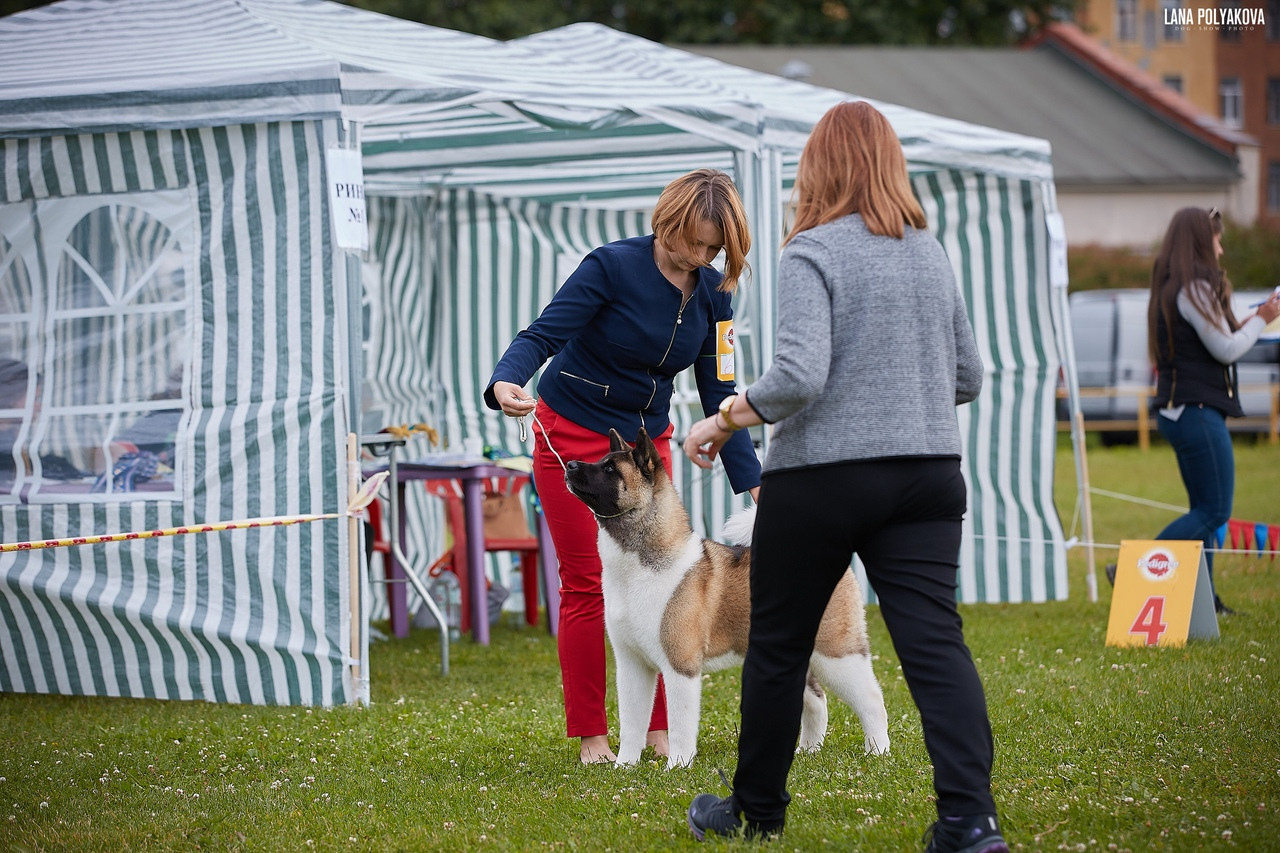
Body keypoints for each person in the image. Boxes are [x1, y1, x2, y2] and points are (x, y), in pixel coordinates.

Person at [681, 102, 1006, 853]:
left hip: (822, 480)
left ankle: (756, 811)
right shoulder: (930, 251)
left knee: (778, 644)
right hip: (928, 476)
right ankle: (971, 821)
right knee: (936, 646)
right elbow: (968, 376)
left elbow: (798, 376)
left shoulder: (811, 250)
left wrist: (723, 418)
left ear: (816, 167)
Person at [484, 168, 762, 765]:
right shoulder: (610, 266)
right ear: (668, 220)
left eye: (714, 249)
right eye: (694, 243)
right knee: (587, 583)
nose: (701, 258)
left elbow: (720, 391)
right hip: (573, 437)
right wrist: (506, 379)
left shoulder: (714, 293)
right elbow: (541, 335)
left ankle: (657, 731)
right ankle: (593, 735)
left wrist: (753, 480)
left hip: (645, 453)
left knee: (661, 581)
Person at [1146, 207, 1280, 615]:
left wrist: (1249, 321)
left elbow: (1216, 341)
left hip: (1181, 410)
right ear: (1203, 242)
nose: (1220, 250)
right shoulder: (1195, 289)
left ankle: (1205, 604)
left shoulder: (1172, 286)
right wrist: (1263, 319)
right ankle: (1140, 567)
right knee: (1216, 510)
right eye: (1217, 241)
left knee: (1202, 511)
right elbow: (1226, 349)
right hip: (1197, 412)